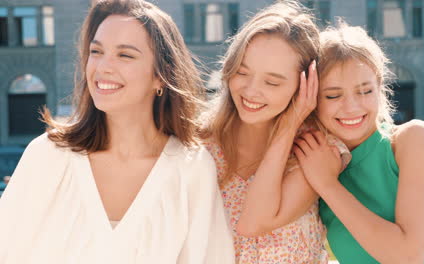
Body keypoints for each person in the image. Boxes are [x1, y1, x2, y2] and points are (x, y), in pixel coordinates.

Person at [0, 0, 235, 263]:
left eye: (125, 55)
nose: (103, 67)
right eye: (96, 51)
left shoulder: (191, 169)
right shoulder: (47, 156)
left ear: (161, 76)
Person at [294, 22, 424, 263]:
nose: (352, 107)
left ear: (380, 89)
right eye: (333, 95)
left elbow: (408, 257)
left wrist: (327, 185)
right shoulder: (316, 158)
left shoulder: (413, 139)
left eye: (365, 91)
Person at [201, 1, 350, 263]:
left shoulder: (318, 149)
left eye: (272, 82)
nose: (251, 90)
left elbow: (254, 223)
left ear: (305, 85)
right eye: (242, 72)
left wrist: (290, 124)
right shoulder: (198, 143)